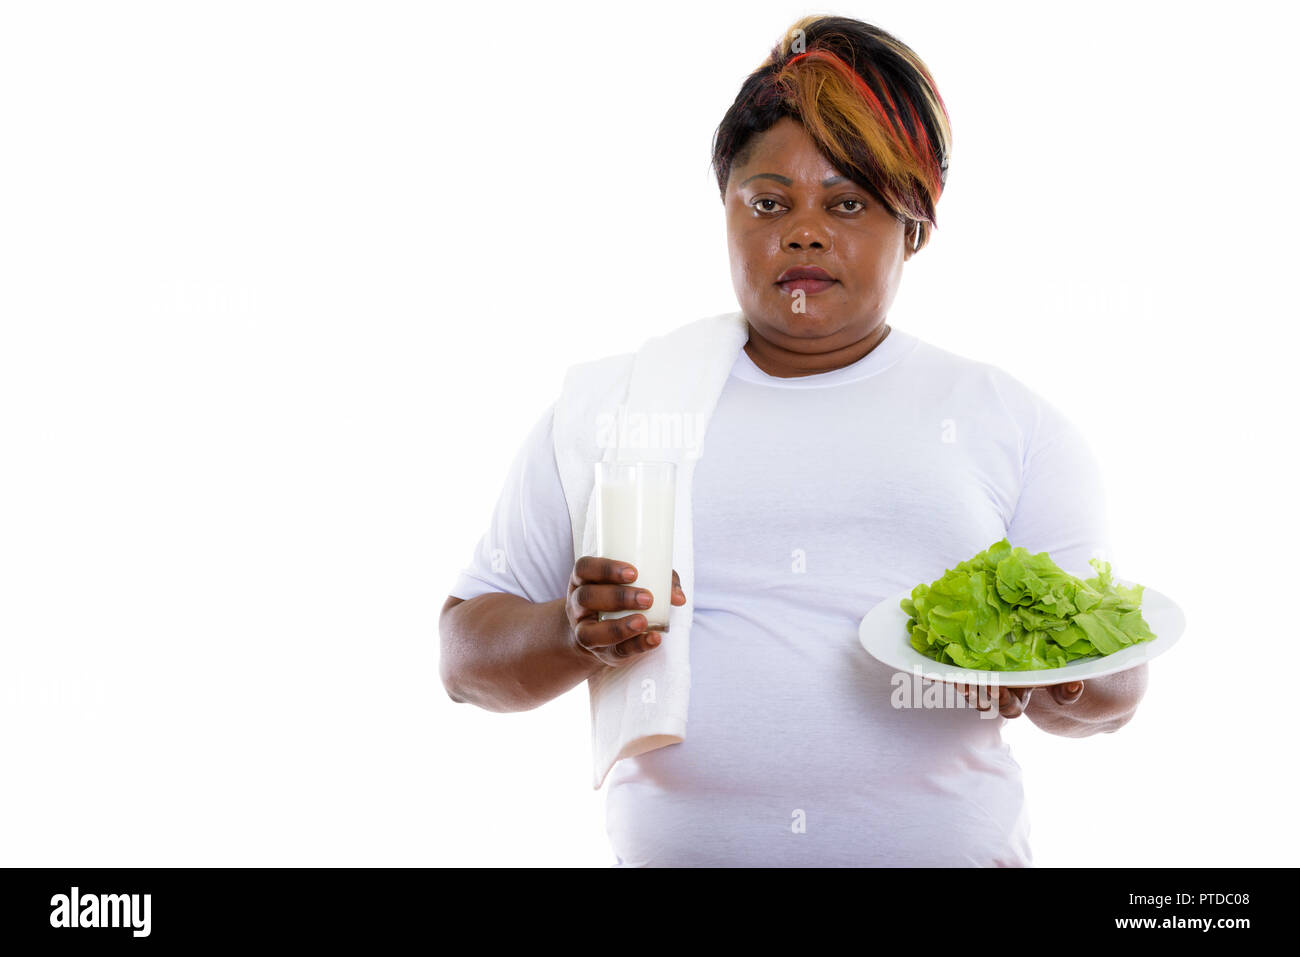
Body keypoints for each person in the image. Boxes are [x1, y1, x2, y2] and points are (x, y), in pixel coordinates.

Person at [439, 14, 1148, 866]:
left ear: (914, 226)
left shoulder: (1008, 419)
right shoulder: (615, 407)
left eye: (847, 202)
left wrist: (1048, 677)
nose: (803, 231)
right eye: (769, 202)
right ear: (728, 213)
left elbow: (1118, 686)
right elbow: (464, 653)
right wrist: (570, 630)